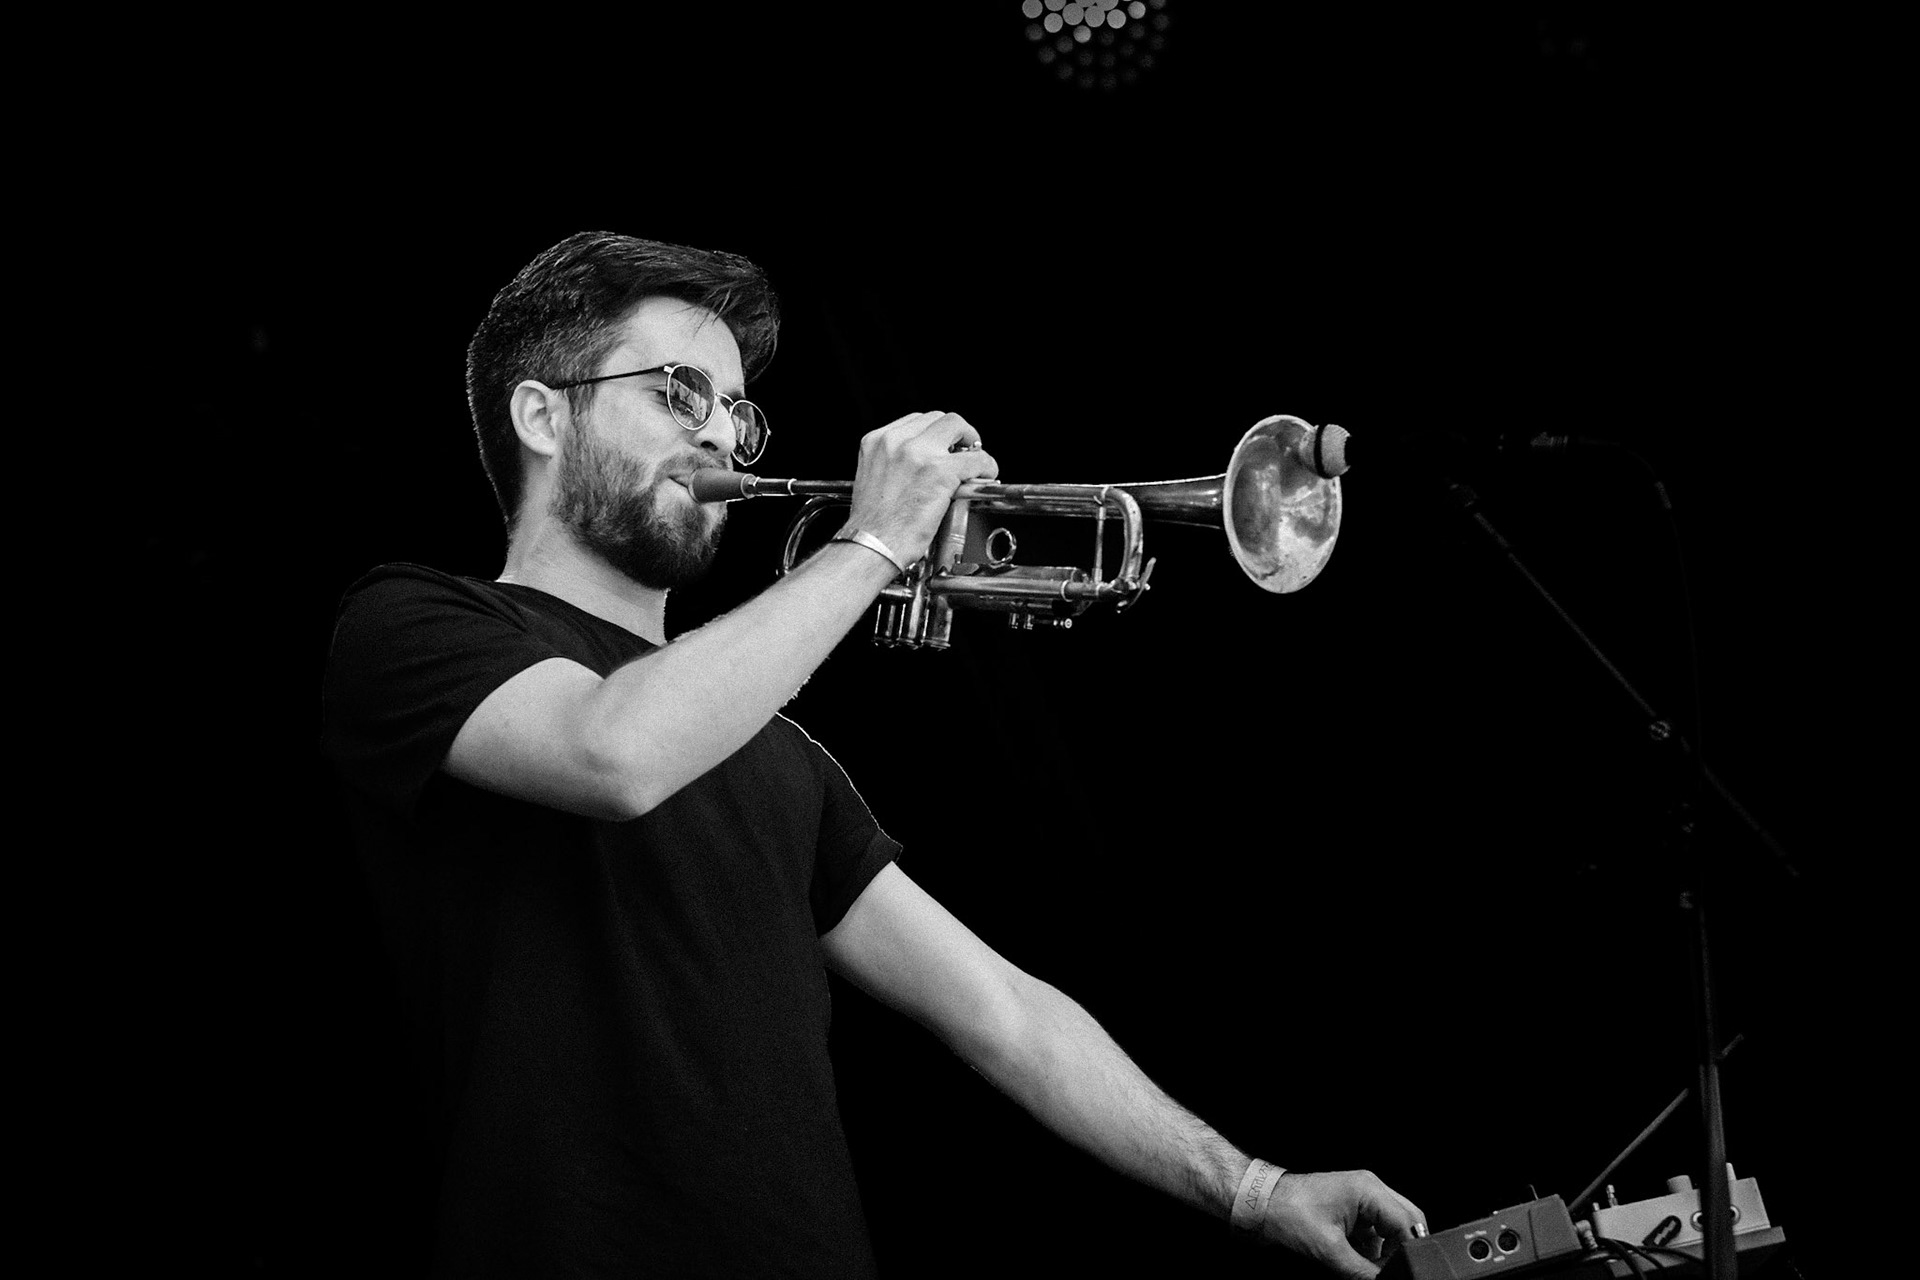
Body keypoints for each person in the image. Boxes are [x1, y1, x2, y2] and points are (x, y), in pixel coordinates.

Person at [321, 230, 1425, 1278]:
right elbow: (613, 754)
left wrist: (1257, 1189)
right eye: (679, 394)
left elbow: (1007, 1014)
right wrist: (877, 539)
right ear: (541, 415)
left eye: (737, 412)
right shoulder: (412, 623)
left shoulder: (784, 761)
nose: (722, 437)